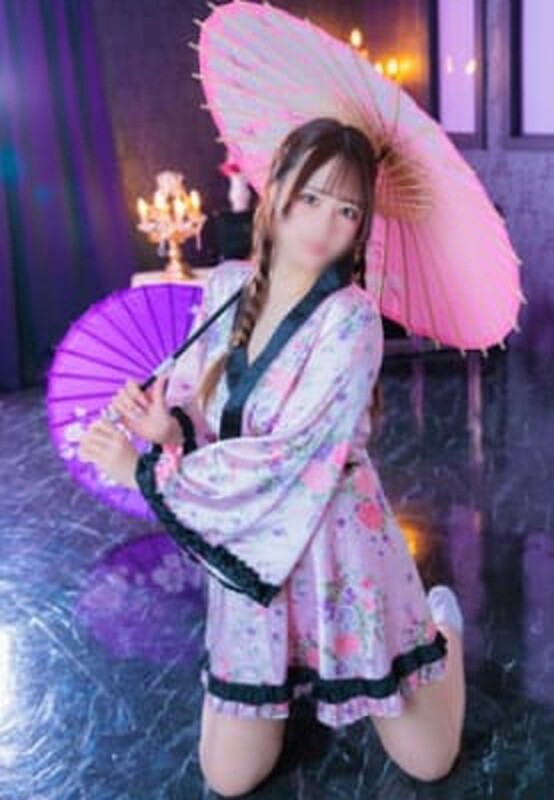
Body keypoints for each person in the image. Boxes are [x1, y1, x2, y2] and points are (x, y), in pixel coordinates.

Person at [79, 117, 466, 795]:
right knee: (229, 778)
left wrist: (142, 476)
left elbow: (291, 456)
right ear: (277, 189)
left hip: (338, 541)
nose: (325, 224)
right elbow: (197, 402)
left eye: (347, 210)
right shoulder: (226, 287)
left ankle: (441, 629)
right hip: (253, 547)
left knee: (429, 762)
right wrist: (167, 428)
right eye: (311, 197)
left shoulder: (352, 318)